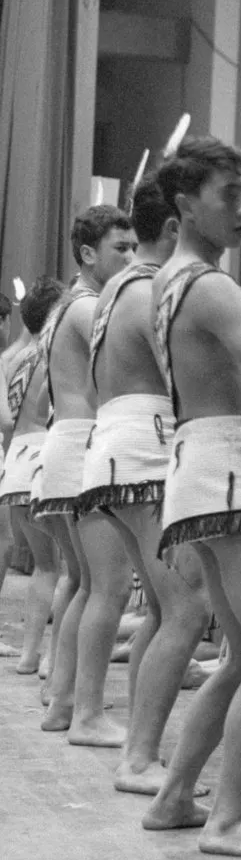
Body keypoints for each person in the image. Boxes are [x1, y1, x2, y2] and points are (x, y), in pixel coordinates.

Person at [139, 135, 241, 855]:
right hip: (229, 472)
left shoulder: (170, 282)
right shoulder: (209, 284)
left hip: (200, 468)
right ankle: (229, 816)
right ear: (185, 204)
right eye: (227, 196)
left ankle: (176, 794)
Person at [74, 171, 212, 789]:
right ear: (179, 224)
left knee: (161, 608)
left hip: (112, 449)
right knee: (188, 609)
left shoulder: (113, 289)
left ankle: (138, 747)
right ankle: (139, 759)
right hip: (143, 454)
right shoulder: (157, 286)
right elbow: (196, 378)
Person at [32, 206, 137, 732]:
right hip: (80, 446)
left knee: (83, 581)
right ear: (89, 254)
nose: (132, 258)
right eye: (122, 249)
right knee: (108, 586)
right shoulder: (88, 307)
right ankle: (85, 712)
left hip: (67, 444)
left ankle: (65, 700)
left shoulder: (66, 306)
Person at [0, 278, 66, 672]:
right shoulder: (54, 353)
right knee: (63, 570)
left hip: (16, 462)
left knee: (45, 566)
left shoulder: (13, 358)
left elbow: (8, 421)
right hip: (43, 454)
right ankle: (50, 661)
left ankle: (29, 655)